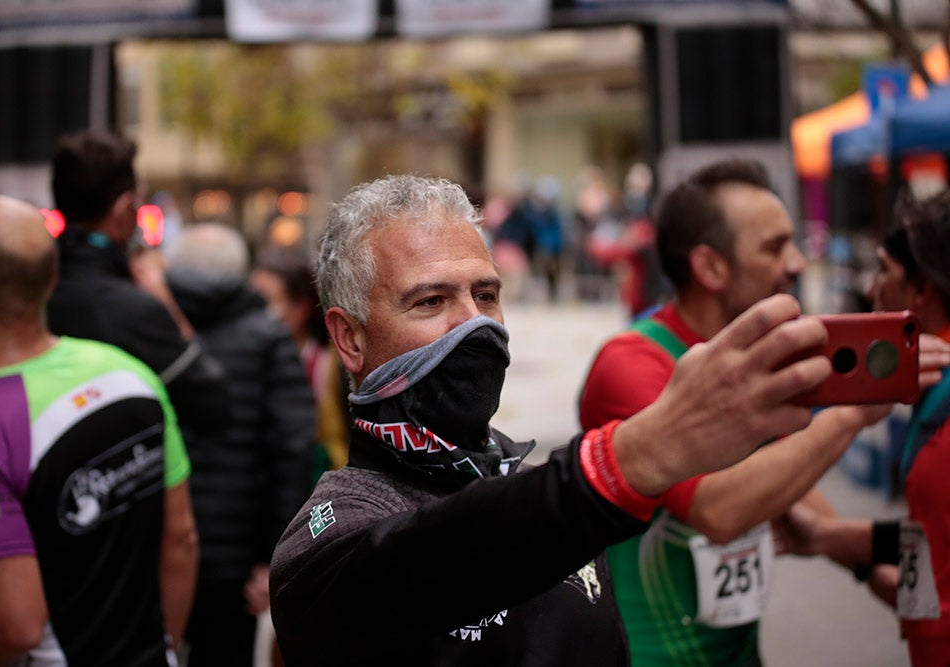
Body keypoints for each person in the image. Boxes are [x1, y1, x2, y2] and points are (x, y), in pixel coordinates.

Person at [268, 173, 842, 666]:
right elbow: (422, 558)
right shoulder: (327, 538)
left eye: (485, 295)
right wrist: (638, 454)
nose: (475, 324)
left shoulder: (527, 485)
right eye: (430, 301)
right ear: (350, 338)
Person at [578, 159, 896, 666]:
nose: (797, 263)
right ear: (710, 267)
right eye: (774, 247)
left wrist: (875, 570)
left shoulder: (757, 356)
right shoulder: (632, 361)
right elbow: (718, 510)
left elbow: (785, 480)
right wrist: (852, 414)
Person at [0, 195, 197, 665]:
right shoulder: (129, 373)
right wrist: (165, 648)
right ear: (52, 280)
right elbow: (181, 537)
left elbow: (14, 625)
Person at [778, 189, 950, 666]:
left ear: (921, 291)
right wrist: (828, 540)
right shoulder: (929, 389)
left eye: (884, 271)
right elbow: (932, 536)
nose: (872, 289)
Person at [163, 223, 317, 667]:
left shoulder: (153, 329)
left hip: (158, 550)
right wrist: (274, 557)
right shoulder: (267, 337)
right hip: (236, 560)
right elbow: (291, 451)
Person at [45, 129, 230, 440]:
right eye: (140, 205)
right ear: (124, 210)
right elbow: (213, 406)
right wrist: (167, 306)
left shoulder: (31, 291)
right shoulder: (134, 309)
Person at [250, 249, 351, 474]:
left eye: (265, 301)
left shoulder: (331, 365)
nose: (254, 315)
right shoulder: (247, 363)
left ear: (300, 309)